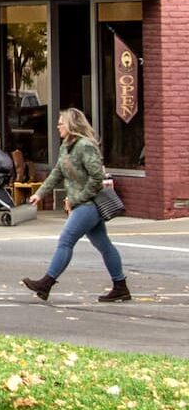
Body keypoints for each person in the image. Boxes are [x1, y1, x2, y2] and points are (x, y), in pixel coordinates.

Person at [22, 108, 130, 303]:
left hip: (89, 204)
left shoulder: (85, 146)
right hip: (82, 203)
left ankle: (46, 283)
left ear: (71, 125)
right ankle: (120, 286)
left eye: (60, 123)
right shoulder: (66, 146)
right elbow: (57, 172)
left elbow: (97, 177)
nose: (57, 126)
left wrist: (77, 199)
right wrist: (39, 194)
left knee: (66, 241)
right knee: (104, 245)